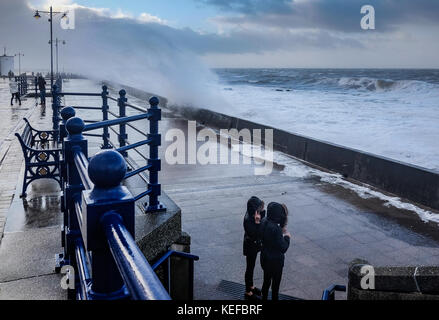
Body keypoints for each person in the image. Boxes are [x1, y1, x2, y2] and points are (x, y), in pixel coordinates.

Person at [259, 202, 291, 300]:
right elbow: (283, 248)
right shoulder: (276, 229)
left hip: (264, 257)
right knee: (275, 284)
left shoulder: (264, 220)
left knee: (266, 280)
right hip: (275, 262)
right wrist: (287, 237)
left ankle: (263, 296)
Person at [243, 196, 265, 300]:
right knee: (249, 268)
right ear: (254, 209)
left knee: (251, 266)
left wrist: (260, 216)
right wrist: (257, 222)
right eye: (259, 208)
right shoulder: (248, 220)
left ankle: (251, 286)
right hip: (250, 247)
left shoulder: (252, 214)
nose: (260, 210)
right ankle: (248, 291)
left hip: (253, 246)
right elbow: (255, 234)